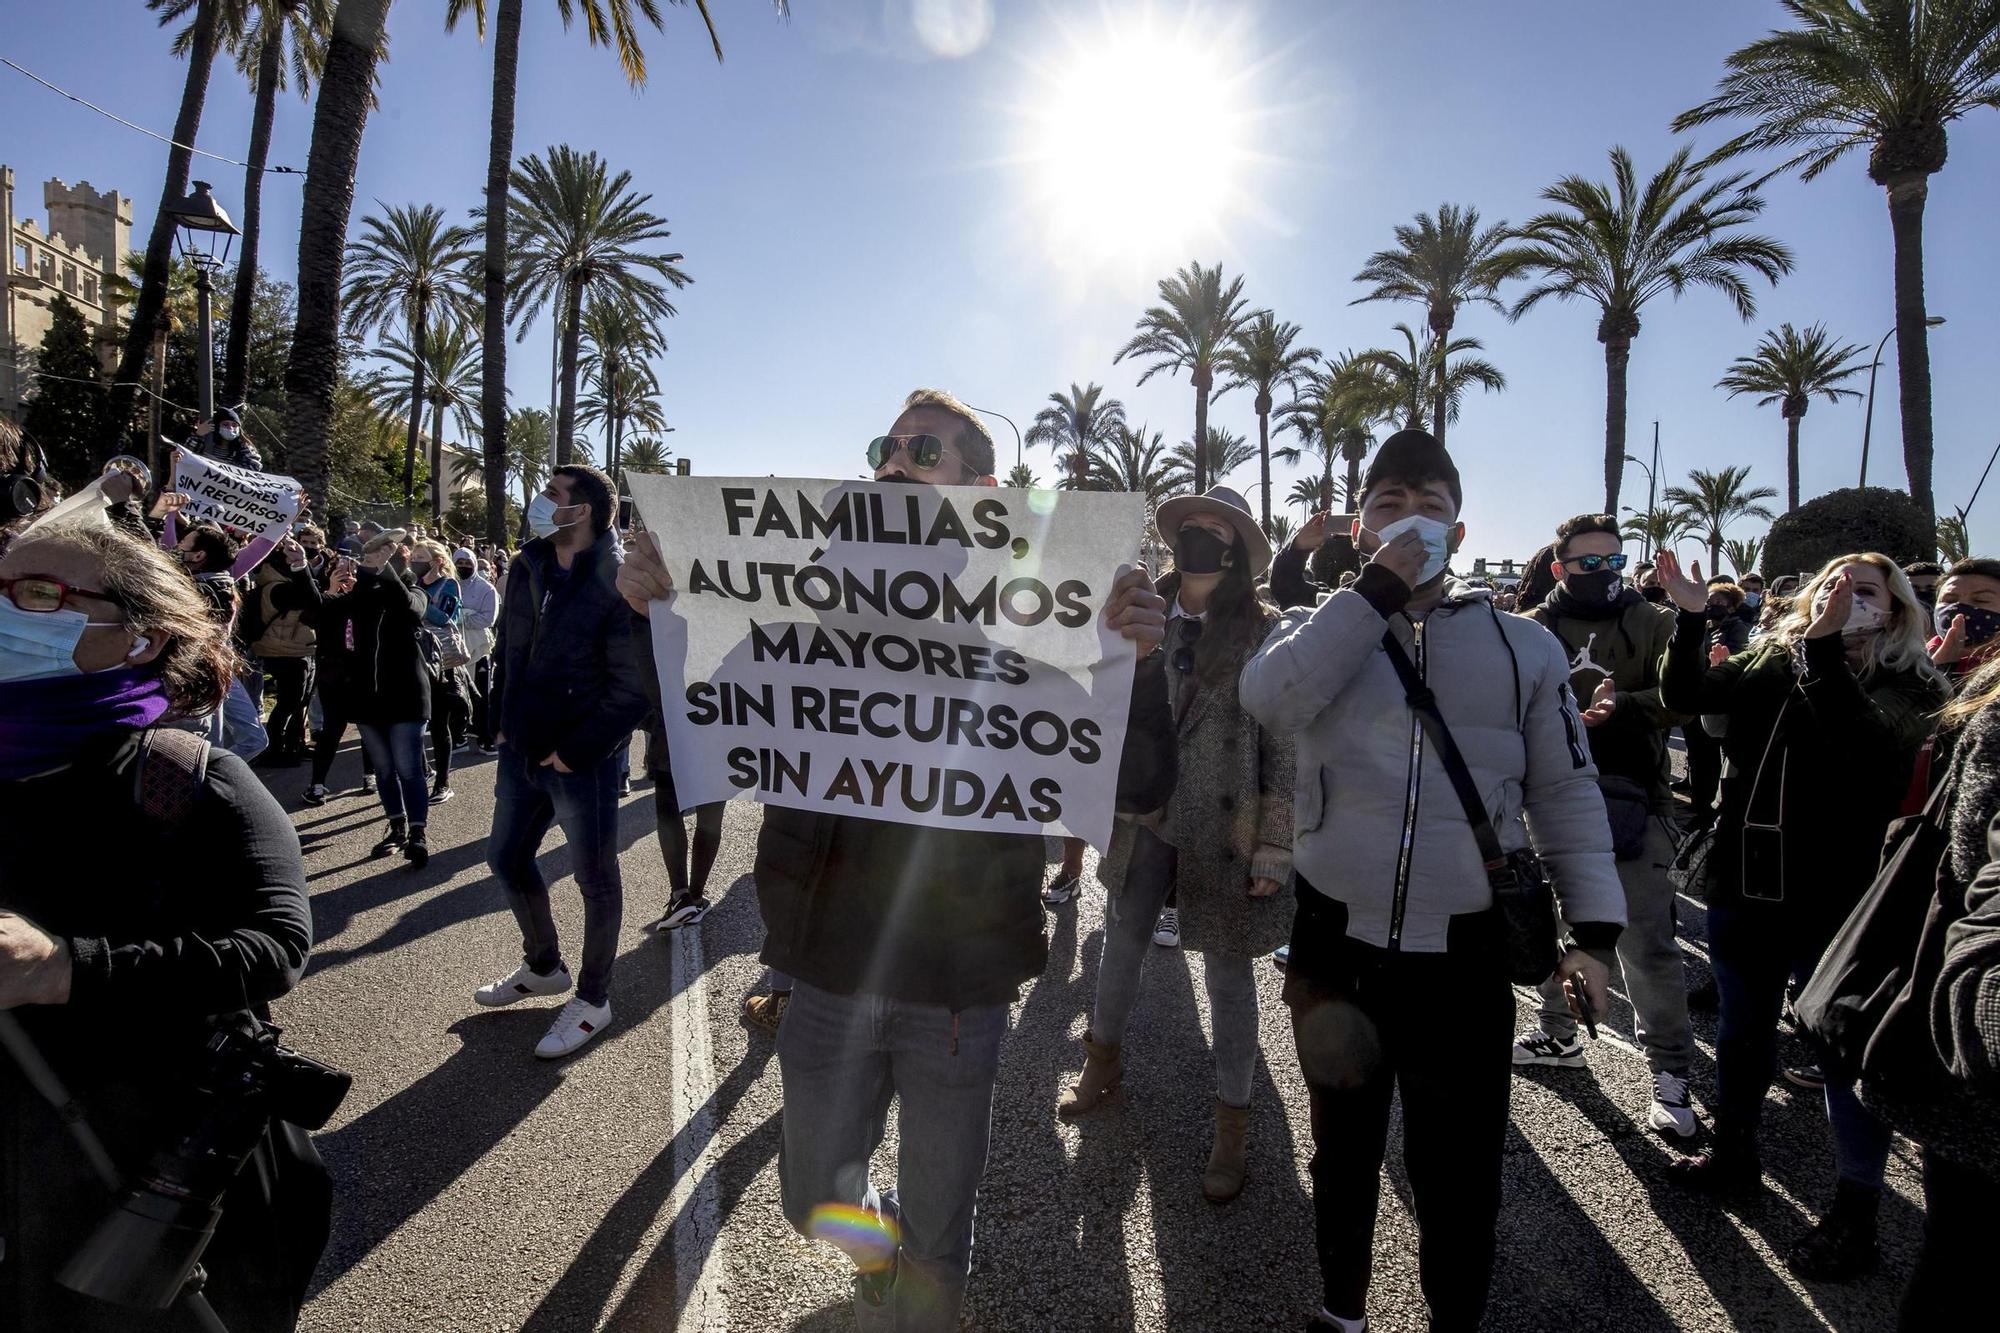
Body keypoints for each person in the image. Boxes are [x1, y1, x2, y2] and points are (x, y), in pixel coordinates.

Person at [615, 388, 1175, 1331]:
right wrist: (657, 606)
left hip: (957, 975)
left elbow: (1141, 773)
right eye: (885, 445)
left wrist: (1140, 663)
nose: (892, 463)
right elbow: (701, 705)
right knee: (808, 1196)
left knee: (942, 1232)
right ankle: (867, 1243)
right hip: (826, 958)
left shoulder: (1036, 609)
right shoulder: (799, 577)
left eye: (922, 450)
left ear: (982, 489)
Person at [1239, 429, 1621, 1333]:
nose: (1412, 523)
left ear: (1462, 523)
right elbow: (1269, 700)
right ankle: (1342, 1310)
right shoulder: (1317, 629)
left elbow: (1566, 787)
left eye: (1432, 507)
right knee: (1342, 1152)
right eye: (1388, 507)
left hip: (1465, 954)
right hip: (1338, 946)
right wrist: (1371, 594)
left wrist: (1596, 935)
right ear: (1361, 527)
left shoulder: (1525, 647)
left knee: (1458, 1169)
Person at [0, 505, 319, 1331]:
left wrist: (65, 968)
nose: (4, 607)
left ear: (138, 638)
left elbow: (275, 945)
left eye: (36, 592)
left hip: (150, 1185)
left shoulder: (187, 777)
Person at [1656, 549, 1946, 1218]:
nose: (1846, 598)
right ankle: (1734, 1153)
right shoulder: (1771, 656)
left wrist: (1823, 656)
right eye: (1834, 586)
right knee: (1741, 1029)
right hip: (1745, 879)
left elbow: (1866, 744)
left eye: (1865, 590)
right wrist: (1692, 620)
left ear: (1897, 608)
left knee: (1840, 1048)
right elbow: (1689, 698)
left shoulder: (1913, 680)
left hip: (1840, 892)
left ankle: (1856, 1207)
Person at [1056, 484, 1294, 1205]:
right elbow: (1089, 702)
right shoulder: (1130, 612)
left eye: (1216, 529)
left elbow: (1283, 745)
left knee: (1228, 974)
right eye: (1191, 526)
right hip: (1146, 813)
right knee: (1121, 939)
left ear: (1238, 549)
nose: (1200, 537)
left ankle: (1233, 1120)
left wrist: (1275, 844)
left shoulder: (1267, 628)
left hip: (1227, 824)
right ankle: (1102, 1060)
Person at [1511, 514, 1696, 1138]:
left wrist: (1622, 710)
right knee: (1550, 930)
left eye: (1614, 562)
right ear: (1560, 568)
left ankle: (1670, 1074)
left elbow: (1687, 695)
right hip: (1546, 804)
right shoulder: (1531, 630)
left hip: (1633, 804)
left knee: (1645, 946)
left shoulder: (1651, 620)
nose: (1604, 574)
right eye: (1588, 563)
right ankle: (1560, 1036)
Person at [478, 465, 648, 1060]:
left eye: (554, 496)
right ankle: (544, 965)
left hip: (584, 760)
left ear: (587, 511)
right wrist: (498, 718)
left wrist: (576, 751)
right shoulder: (529, 564)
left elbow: (634, 686)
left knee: (595, 881)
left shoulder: (620, 577)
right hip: (521, 747)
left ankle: (594, 1000)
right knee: (505, 857)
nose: (540, 503)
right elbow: (511, 650)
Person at [317, 530, 433, 865]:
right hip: (367, 698)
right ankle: (396, 827)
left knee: (409, 768)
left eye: (385, 558)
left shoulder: (413, 589)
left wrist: (385, 570)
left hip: (407, 697)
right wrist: (367, 570)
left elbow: (411, 610)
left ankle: (417, 832)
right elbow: (332, 612)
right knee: (384, 770)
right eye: (371, 559)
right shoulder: (363, 594)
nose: (378, 562)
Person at [172, 521, 268, 762]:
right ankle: (207, 779)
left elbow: (258, 549)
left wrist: (281, 523)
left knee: (254, 739)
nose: (174, 547)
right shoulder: (180, 584)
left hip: (215, 668)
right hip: (195, 675)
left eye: (182, 543)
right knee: (206, 747)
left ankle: (213, 774)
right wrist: (168, 513)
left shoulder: (219, 581)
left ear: (199, 555)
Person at [247, 535, 324, 765]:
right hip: (283, 650)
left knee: (300, 702)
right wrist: (302, 568)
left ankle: (294, 745)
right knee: (289, 702)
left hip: (300, 647)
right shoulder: (276, 587)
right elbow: (313, 601)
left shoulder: (286, 581)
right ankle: (273, 748)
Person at [411, 539, 468, 805]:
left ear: (437, 560)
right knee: (414, 722)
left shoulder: (449, 585)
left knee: (438, 723)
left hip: (440, 663)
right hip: (413, 660)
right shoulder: (411, 581)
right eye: (413, 556)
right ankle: (423, 769)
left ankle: (443, 782)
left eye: (421, 556)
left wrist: (418, 594)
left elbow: (445, 617)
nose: (415, 560)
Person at [454, 546, 499, 750]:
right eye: (459, 563)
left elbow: (488, 619)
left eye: (467, 563)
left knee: (481, 694)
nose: (463, 567)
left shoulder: (486, 589)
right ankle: (459, 734)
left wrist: (462, 616)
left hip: (479, 647)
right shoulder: (449, 584)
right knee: (456, 693)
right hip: (453, 647)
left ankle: (485, 738)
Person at [1928, 557, 2000, 681]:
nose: (1959, 609)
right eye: (1949, 600)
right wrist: (1938, 669)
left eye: (1980, 600)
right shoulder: (1904, 664)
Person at [183, 406, 263, 471]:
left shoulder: (242, 447)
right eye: (225, 424)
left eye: (234, 425)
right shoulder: (205, 443)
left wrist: (224, 468)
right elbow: (184, 456)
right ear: (216, 426)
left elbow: (255, 466)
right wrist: (198, 435)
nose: (230, 428)